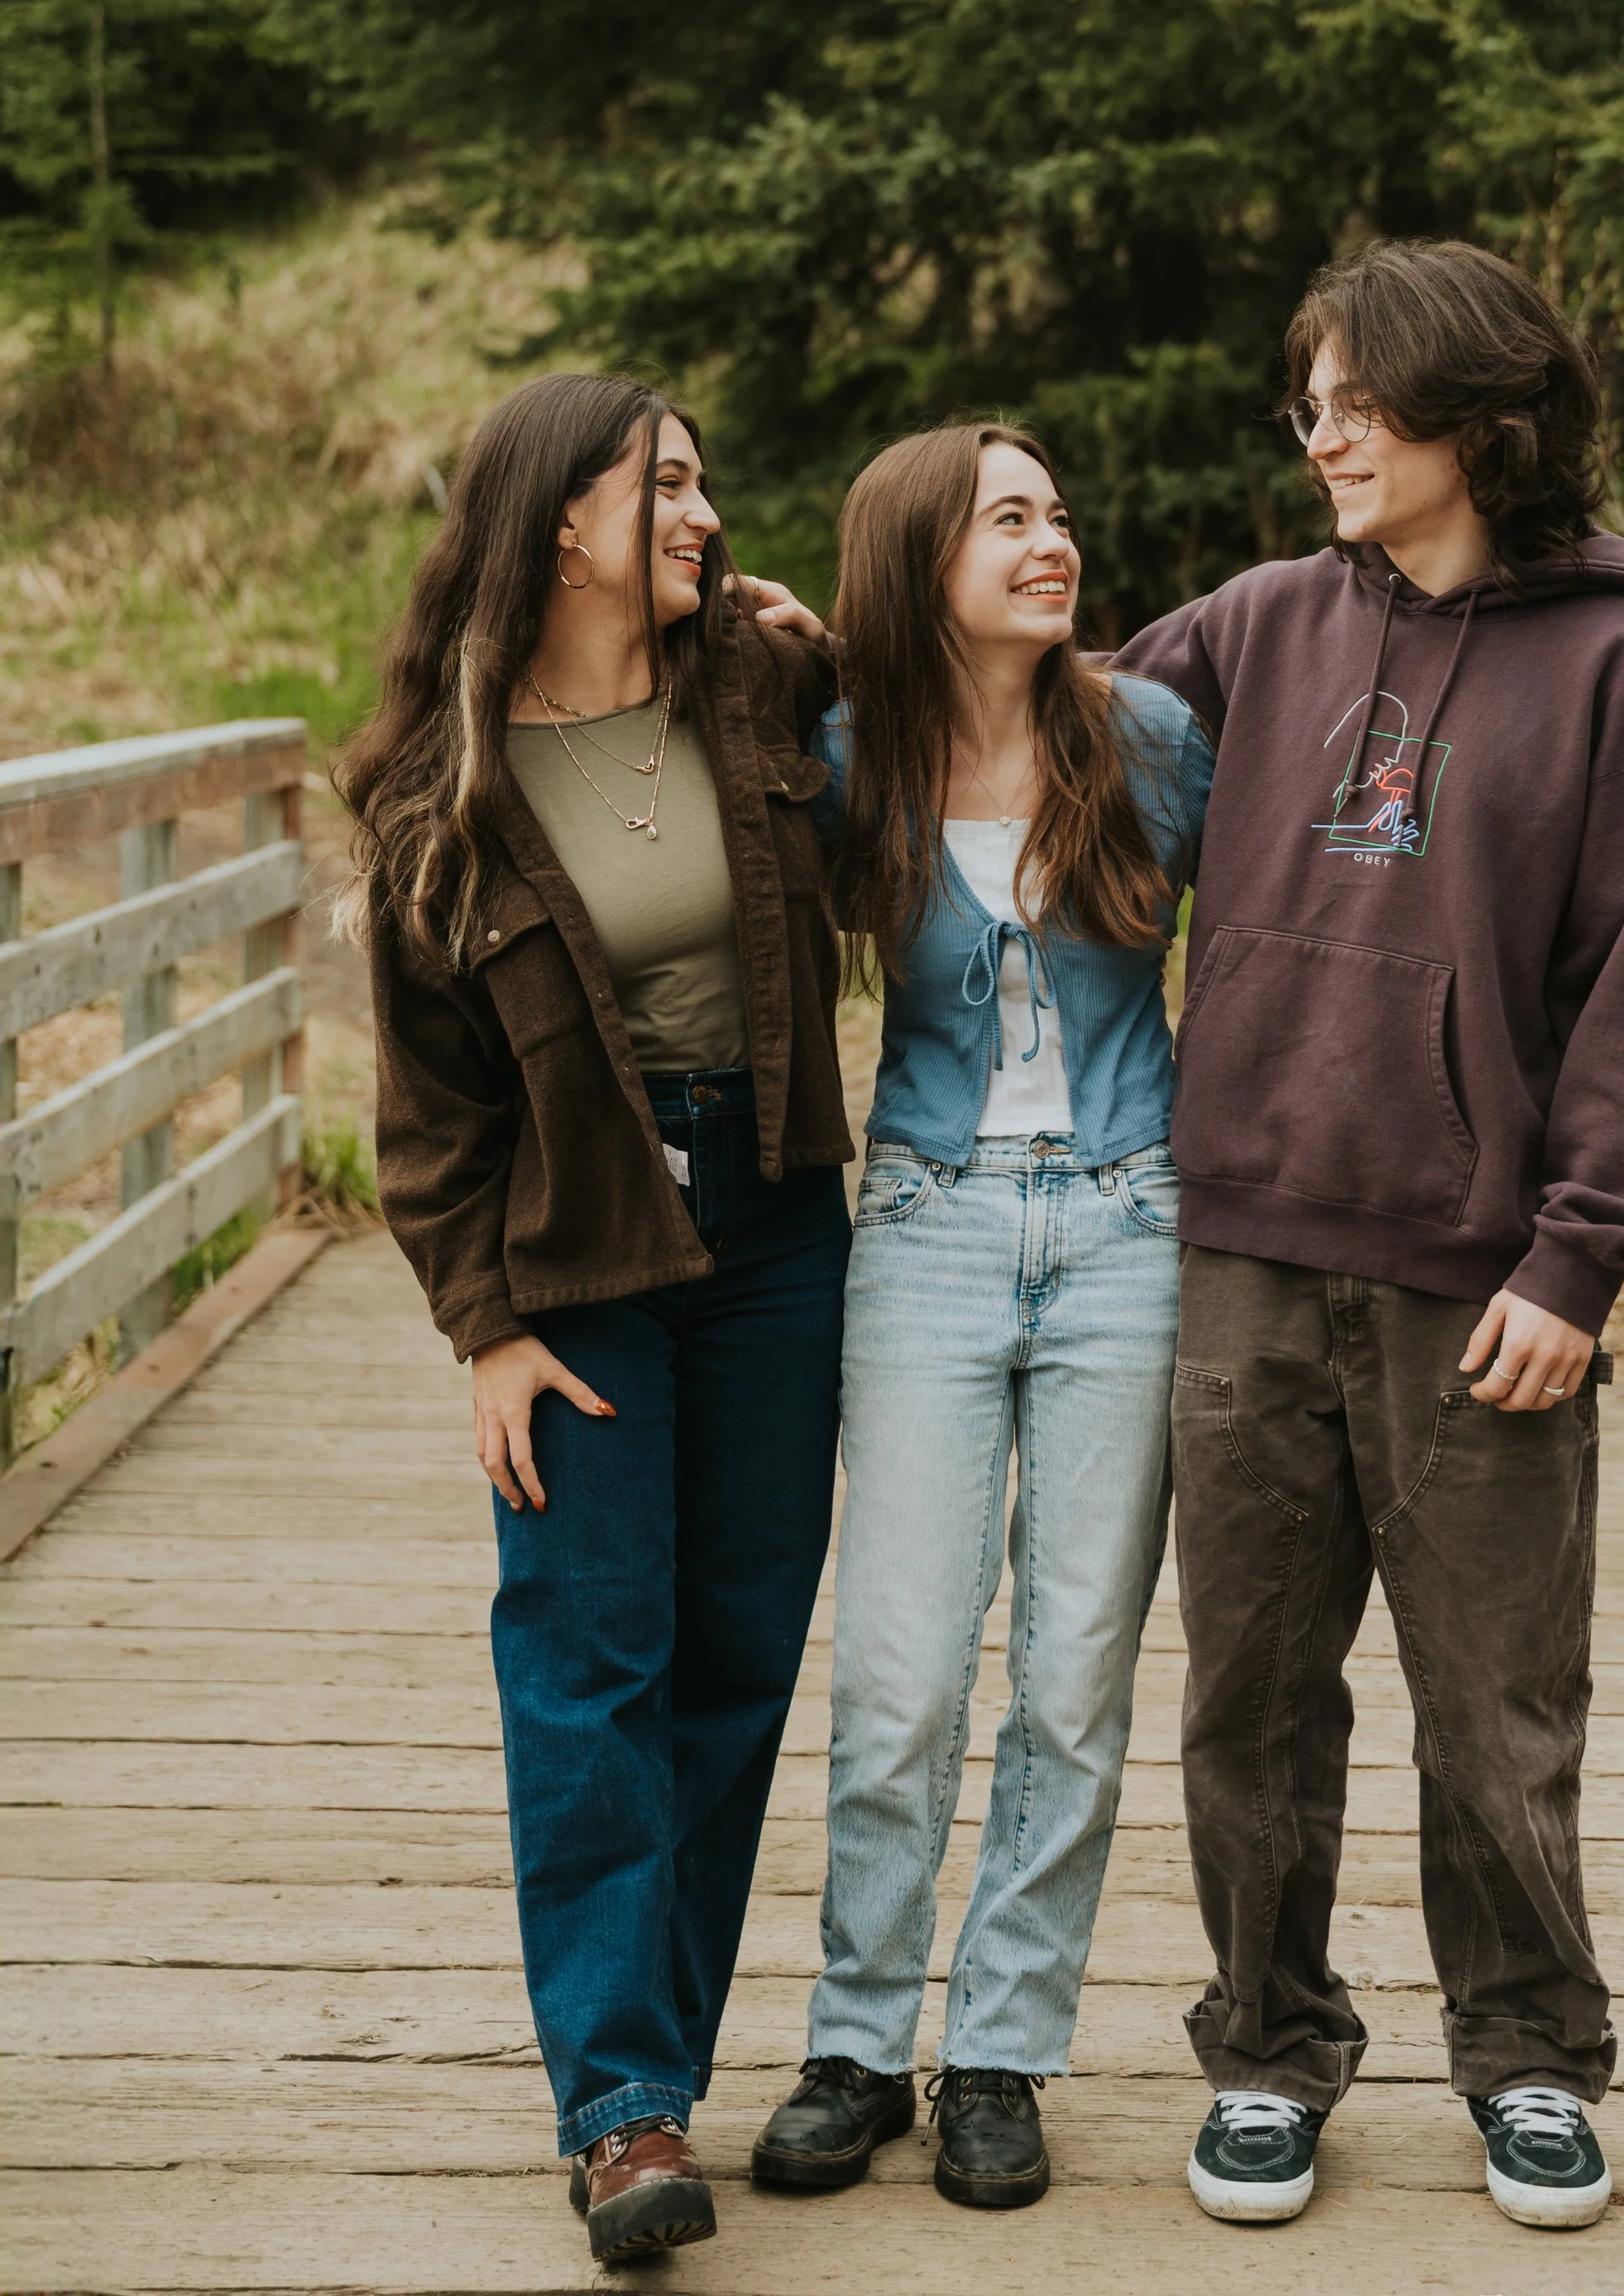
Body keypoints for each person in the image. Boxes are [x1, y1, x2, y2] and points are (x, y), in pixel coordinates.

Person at [1117, 240, 1624, 2232]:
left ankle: (1530, 2055)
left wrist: (1579, 1255)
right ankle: (1269, 2052)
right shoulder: (1260, 623)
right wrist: (819, 655)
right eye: (1308, 400)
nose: (1321, 434)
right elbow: (1043, 750)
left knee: (1496, 1702)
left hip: (1481, 1279)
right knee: (1250, 1698)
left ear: (1480, 414)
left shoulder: (1623, 670)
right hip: (1246, 1247)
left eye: (1358, 401)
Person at [338, 375, 854, 2267]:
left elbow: (969, 757)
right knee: (584, 1659)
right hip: (580, 1248)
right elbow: (429, 1108)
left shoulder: (756, 690)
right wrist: (480, 1322)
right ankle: (621, 2110)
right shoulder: (436, 785)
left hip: (781, 1226)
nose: (710, 513)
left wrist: (844, 656)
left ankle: (656, 2067)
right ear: (566, 520)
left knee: (732, 1650)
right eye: (675, 485)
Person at [743, 423, 1214, 2213]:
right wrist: (775, 648)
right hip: (924, 1228)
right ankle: (858, 2039)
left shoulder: (1151, 741)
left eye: (1060, 516)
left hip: (1131, 1224)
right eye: (1007, 519)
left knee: (1077, 1672)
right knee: (899, 1671)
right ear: (917, 554)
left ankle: (1001, 2049)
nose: (1053, 543)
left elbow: (1279, 942)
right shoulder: (845, 753)